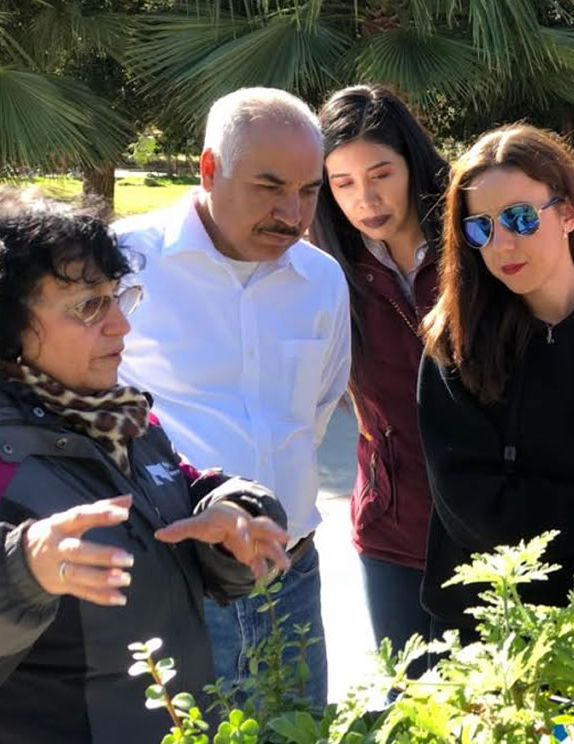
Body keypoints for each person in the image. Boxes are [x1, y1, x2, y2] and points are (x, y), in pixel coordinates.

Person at [0, 189, 290, 743]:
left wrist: (232, 514)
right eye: (88, 306)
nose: (120, 326)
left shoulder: (121, 418)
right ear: (3, 322)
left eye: (117, 297)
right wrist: (19, 570)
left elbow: (185, 491)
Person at [114, 87, 351, 706]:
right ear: (209, 168)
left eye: (309, 191)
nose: (292, 214)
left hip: (292, 579)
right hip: (178, 584)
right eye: (269, 187)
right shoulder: (124, 262)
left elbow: (318, 409)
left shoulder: (322, 279)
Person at [418, 124, 574, 635]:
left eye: (519, 218)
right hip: (489, 620)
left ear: (568, 214)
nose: (502, 244)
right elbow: (468, 500)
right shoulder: (455, 338)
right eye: (481, 228)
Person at [311, 85, 447, 668]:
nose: (364, 199)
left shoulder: (478, 246)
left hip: (490, 523)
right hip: (390, 526)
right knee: (408, 696)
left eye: (380, 174)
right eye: (342, 183)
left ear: (412, 163)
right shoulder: (327, 270)